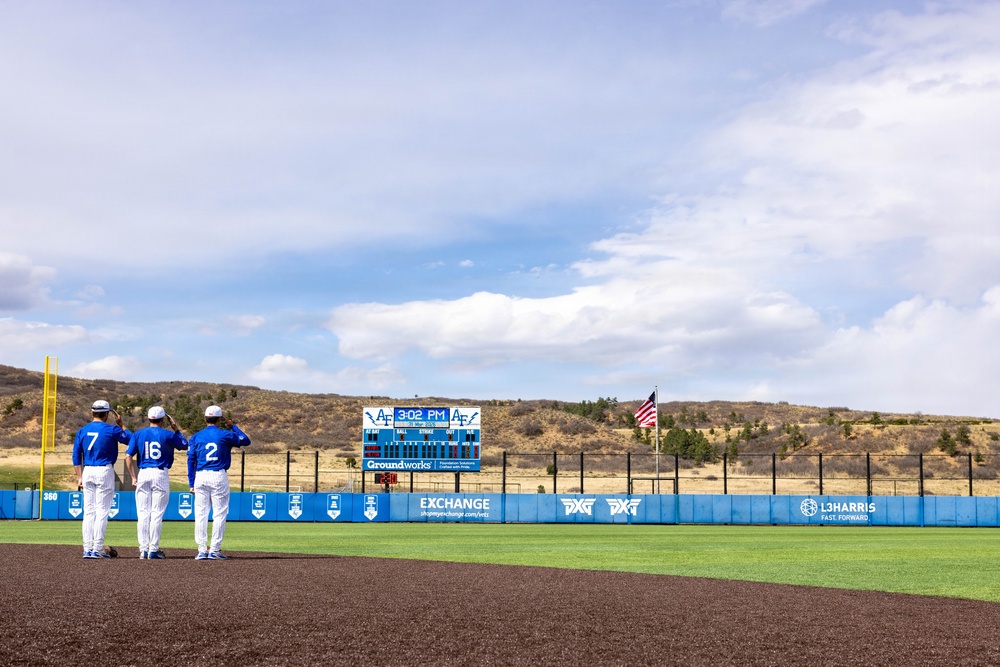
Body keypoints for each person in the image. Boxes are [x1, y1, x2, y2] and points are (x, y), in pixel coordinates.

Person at [187, 405, 251, 560]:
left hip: (201, 476)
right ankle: (214, 550)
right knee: (219, 513)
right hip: (218, 475)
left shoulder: (195, 436)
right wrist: (233, 426)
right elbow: (246, 440)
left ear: (205, 419)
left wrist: (191, 482)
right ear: (219, 419)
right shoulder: (225, 434)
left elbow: (190, 460)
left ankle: (202, 550)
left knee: (200, 514)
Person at [125, 406, 188, 559]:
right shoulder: (167, 434)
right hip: (160, 473)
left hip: (144, 473)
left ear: (148, 419)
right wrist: (176, 428)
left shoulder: (138, 434)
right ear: (162, 420)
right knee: (156, 514)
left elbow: (128, 457)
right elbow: (185, 444)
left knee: (143, 514)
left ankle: (143, 550)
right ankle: (153, 549)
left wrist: (133, 476)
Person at [72, 400, 131, 559]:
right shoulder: (112, 429)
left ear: (92, 413)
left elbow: (76, 456)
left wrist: (79, 477)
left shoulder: (82, 431)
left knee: (89, 512)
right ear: (106, 414)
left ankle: (87, 549)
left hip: (88, 471)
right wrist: (121, 424)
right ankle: (97, 549)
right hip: (104, 470)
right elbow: (131, 440)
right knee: (102, 512)